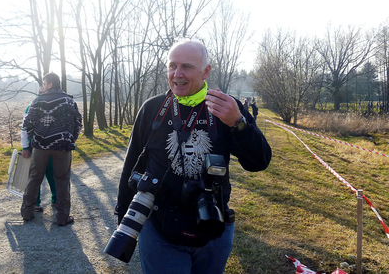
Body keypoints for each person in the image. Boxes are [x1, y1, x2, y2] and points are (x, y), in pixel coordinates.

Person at [115, 39, 271, 274]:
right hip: (159, 230)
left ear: (206, 71)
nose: (177, 74)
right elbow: (131, 165)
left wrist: (239, 124)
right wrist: (123, 217)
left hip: (212, 227)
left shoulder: (226, 106)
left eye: (187, 66)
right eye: (172, 66)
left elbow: (259, 162)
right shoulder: (152, 108)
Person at [21, 73, 82, 226]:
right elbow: (78, 122)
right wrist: (70, 138)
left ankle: (27, 212)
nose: (42, 85)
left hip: (40, 147)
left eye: (44, 82)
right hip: (63, 146)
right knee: (62, 180)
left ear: (50, 85)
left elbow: (27, 124)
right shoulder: (69, 101)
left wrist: (35, 138)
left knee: (34, 178)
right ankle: (62, 217)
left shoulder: (37, 101)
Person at [21, 104, 57, 212]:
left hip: (54, 145)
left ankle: (56, 200)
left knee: (53, 174)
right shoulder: (32, 106)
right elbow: (24, 128)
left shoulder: (57, 105)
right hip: (35, 146)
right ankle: (35, 203)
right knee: (35, 176)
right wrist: (25, 147)